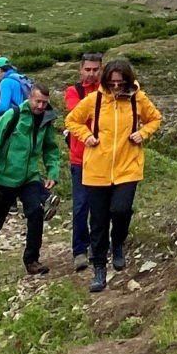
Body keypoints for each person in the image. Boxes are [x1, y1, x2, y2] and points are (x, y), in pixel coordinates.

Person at [61, 57, 160, 293]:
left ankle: (117, 243)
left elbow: (155, 118)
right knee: (98, 220)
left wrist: (143, 133)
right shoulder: (95, 100)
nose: (116, 87)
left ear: (127, 80)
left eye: (120, 83)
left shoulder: (138, 98)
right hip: (96, 169)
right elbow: (72, 120)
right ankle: (99, 268)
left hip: (128, 166)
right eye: (112, 83)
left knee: (121, 210)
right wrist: (87, 137)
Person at [0, 79, 58, 289]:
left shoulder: (46, 120)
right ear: (29, 98)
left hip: (29, 177)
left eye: (44, 102)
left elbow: (50, 148)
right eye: (37, 101)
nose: (40, 106)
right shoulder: (12, 116)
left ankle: (32, 260)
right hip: (4, 179)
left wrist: (52, 171)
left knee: (36, 213)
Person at [63, 54, 103, 266]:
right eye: (88, 69)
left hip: (104, 157)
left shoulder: (107, 90)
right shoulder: (73, 91)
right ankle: (79, 250)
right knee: (80, 206)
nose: (91, 73)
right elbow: (76, 114)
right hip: (80, 157)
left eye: (95, 69)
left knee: (102, 205)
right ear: (81, 70)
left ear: (101, 69)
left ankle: (99, 246)